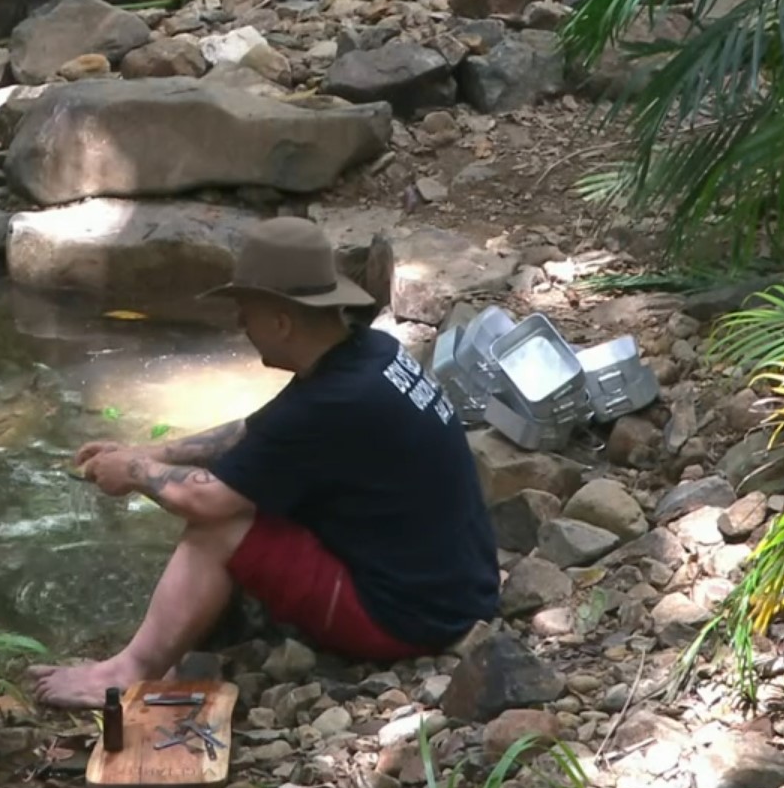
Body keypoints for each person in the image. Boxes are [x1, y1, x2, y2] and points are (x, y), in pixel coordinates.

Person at [27, 216, 500, 710]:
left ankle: (129, 672)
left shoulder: (331, 403)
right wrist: (152, 452)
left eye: (246, 312)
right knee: (252, 489)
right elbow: (255, 433)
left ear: (280, 321)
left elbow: (205, 500)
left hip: (410, 617)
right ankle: (196, 631)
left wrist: (134, 475)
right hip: (461, 585)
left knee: (219, 525)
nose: (239, 325)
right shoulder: (368, 354)